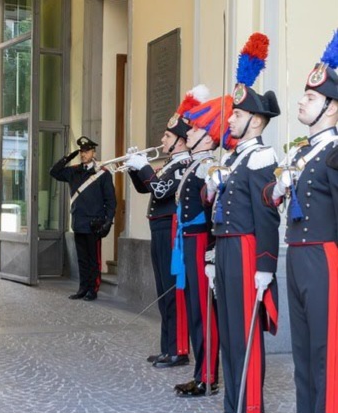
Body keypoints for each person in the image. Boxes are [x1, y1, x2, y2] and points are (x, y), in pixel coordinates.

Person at [262, 31, 338, 413]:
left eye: (311, 97)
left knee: (326, 350)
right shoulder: (304, 153)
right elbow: (272, 199)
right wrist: (277, 190)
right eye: (304, 95)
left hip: (325, 257)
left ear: (333, 107)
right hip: (296, 255)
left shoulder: (334, 154)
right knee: (303, 350)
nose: (302, 102)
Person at [204, 32, 280, 413]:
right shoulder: (233, 160)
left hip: (250, 251)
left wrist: (266, 266)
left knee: (246, 332)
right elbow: (219, 212)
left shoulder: (262, 158)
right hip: (228, 248)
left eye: (235, 114)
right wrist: (214, 254)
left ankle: (250, 406)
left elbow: (268, 217)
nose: (229, 119)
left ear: (255, 120)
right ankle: (232, 403)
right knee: (230, 334)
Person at [124, 87, 203, 368]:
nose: (162, 139)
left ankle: (178, 349)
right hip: (159, 231)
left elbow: (160, 190)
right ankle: (168, 346)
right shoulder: (171, 163)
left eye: (167, 136)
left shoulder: (185, 165)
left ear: (181, 142)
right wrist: (135, 169)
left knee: (172, 292)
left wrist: (144, 167)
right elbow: (148, 189)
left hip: (171, 231)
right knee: (163, 291)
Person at [170, 93, 232, 396]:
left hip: (200, 244)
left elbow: (214, 212)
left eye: (194, 130)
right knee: (195, 310)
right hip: (188, 243)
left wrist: (211, 252)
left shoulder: (209, 167)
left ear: (208, 140)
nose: (188, 134)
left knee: (204, 312)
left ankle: (208, 376)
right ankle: (201, 372)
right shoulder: (195, 164)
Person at [50, 136, 116, 301]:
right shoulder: (74, 171)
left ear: (93, 152)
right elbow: (54, 172)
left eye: (86, 151)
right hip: (79, 222)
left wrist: (108, 222)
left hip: (94, 223)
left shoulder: (103, 174)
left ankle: (93, 289)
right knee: (82, 259)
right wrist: (68, 157)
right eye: (81, 151)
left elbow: (111, 201)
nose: (83, 154)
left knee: (94, 260)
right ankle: (83, 288)